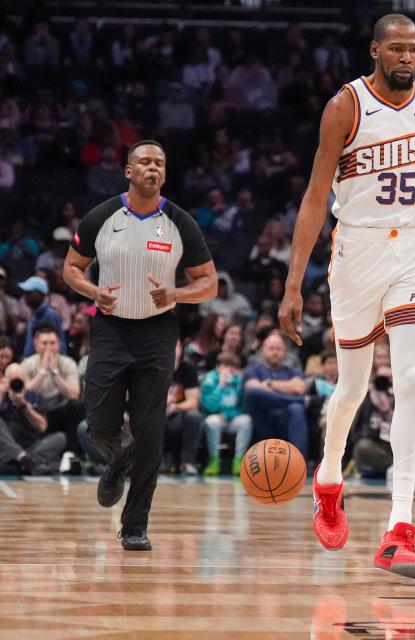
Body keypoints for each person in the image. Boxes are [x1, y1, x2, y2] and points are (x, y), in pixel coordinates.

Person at [278, 13, 415, 580]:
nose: (408, 56)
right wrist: (292, 284)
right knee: (353, 386)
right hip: (355, 253)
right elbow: (313, 198)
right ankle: (329, 477)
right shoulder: (346, 106)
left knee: (410, 381)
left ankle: (399, 528)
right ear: (376, 51)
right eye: (397, 48)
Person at [63, 140, 217, 551]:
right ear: (128, 171)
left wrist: (177, 295)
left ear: (164, 174)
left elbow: (209, 282)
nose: (153, 168)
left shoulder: (180, 222)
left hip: (157, 334)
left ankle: (134, 526)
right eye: (145, 162)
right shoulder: (102, 216)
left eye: (160, 163)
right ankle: (117, 458)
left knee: (150, 433)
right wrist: (94, 291)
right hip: (110, 329)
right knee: (97, 423)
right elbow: (71, 269)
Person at [21, 323, 83, 455]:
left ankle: (71, 454)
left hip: (59, 411)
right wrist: (42, 372)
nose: (49, 347)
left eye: (52, 343)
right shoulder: (27, 363)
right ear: (36, 345)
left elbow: (74, 394)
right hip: (36, 411)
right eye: (44, 343)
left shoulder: (67, 363)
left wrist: (55, 372)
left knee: (77, 405)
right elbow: (23, 393)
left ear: (59, 345)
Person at [242, 332, 308, 455]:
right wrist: (288, 389)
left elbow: (299, 388)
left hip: (285, 419)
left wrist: (269, 384)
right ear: (262, 350)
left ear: (284, 352)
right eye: (271, 348)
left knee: (296, 408)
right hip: (262, 419)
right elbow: (252, 388)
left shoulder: (293, 371)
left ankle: (299, 460)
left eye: (279, 349)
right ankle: (299, 401)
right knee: (252, 394)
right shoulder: (252, 370)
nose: (275, 352)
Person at [0, 363, 65, 475]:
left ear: (26, 381)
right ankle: (27, 463)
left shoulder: (34, 396)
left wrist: (24, 406)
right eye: (13, 381)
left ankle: (19, 463)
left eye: (20, 381)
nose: (17, 385)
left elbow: (42, 427)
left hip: (32, 445)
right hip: (7, 443)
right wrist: (1, 395)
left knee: (60, 438)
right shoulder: (2, 395)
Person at [200, 352, 251, 476]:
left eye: (232, 367)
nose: (229, 371)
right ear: (218, 367)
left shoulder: (239, 382)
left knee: (246, 420)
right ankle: (214, 461)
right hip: (215, 417)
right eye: (226, 366)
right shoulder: (209, 381)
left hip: (232, 418)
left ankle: (239, 461)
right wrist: (221, 385)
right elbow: (209, 406)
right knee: (212, 421)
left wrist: (228, 414)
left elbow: (244, 407)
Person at [162, 341, 203, 475]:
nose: (173, 349)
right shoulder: (153, 367)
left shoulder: (188, 369)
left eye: (176, 345)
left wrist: (176, 406)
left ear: (181, 349)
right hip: (155, 414)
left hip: (178, 414)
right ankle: (159, 460)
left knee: (195, 416)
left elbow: (193, 402)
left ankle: (188, 462)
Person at [19, 276, 65, 358]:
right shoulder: (33, 314)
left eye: (29, 293)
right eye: (25, 293)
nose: (25, 296)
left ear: (41, 295)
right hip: (31, 363)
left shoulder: (50, 315)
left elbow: (57, 343)